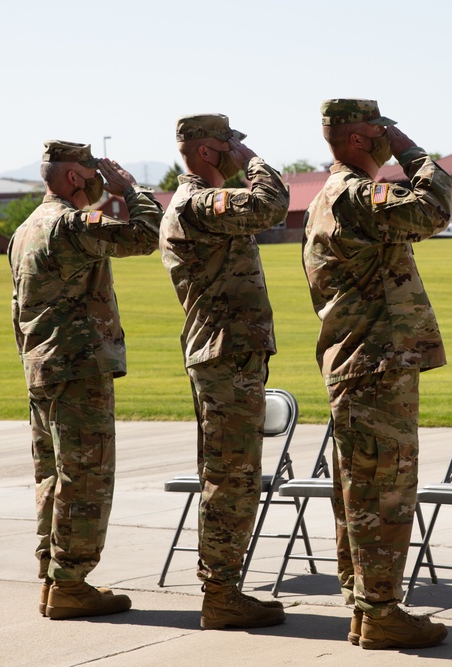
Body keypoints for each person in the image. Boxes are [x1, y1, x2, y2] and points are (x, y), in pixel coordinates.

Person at [302, 99, 452, 650]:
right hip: (376, 361)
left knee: (359, 487)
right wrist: (414, 151)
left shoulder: (328, 197)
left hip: (357, 361)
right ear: (362, 139)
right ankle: (381, 611)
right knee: (384, 489)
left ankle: (367, 606)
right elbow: (435, 210)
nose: (390, 137)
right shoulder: (357, 194)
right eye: (381, 130)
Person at [8, 140, 162, 620]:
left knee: (52, 477)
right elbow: (146, 235)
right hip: (78, 365)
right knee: (86, 478)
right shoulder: (72, 224)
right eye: (92, 169)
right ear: (74, 177)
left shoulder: (26, 228)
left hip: (42, 366)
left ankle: (53, 578)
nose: (100, 176)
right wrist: (131, 191)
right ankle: (71, 583)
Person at [159, 113, 290, 629]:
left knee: (229, 475)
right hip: (226, 354)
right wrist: (252, 162)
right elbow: (271, 205)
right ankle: (221, 593)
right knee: (231, 479)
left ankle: (222, 589)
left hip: (226, 352)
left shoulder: (194, 204)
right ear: (210, 152)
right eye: (230, 144)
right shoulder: (198, 203)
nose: (238, 151)